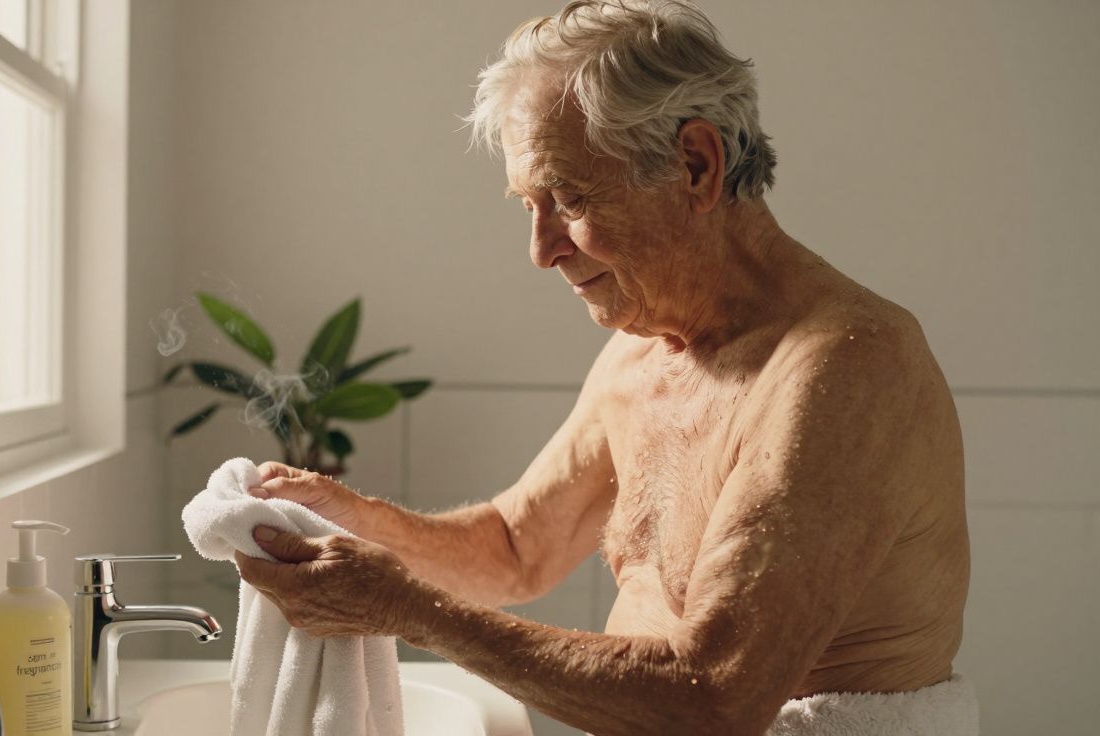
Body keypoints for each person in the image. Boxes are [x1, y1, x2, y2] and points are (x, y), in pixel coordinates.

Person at [234, 2, 972, 733]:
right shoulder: (641, 349)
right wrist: (346, 521)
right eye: (528, 204)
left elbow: (715, 697)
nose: (541, 248)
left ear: (696, 165)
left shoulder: (847, 367)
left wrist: (407, 610)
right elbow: (516, 548)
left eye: (569, 198)